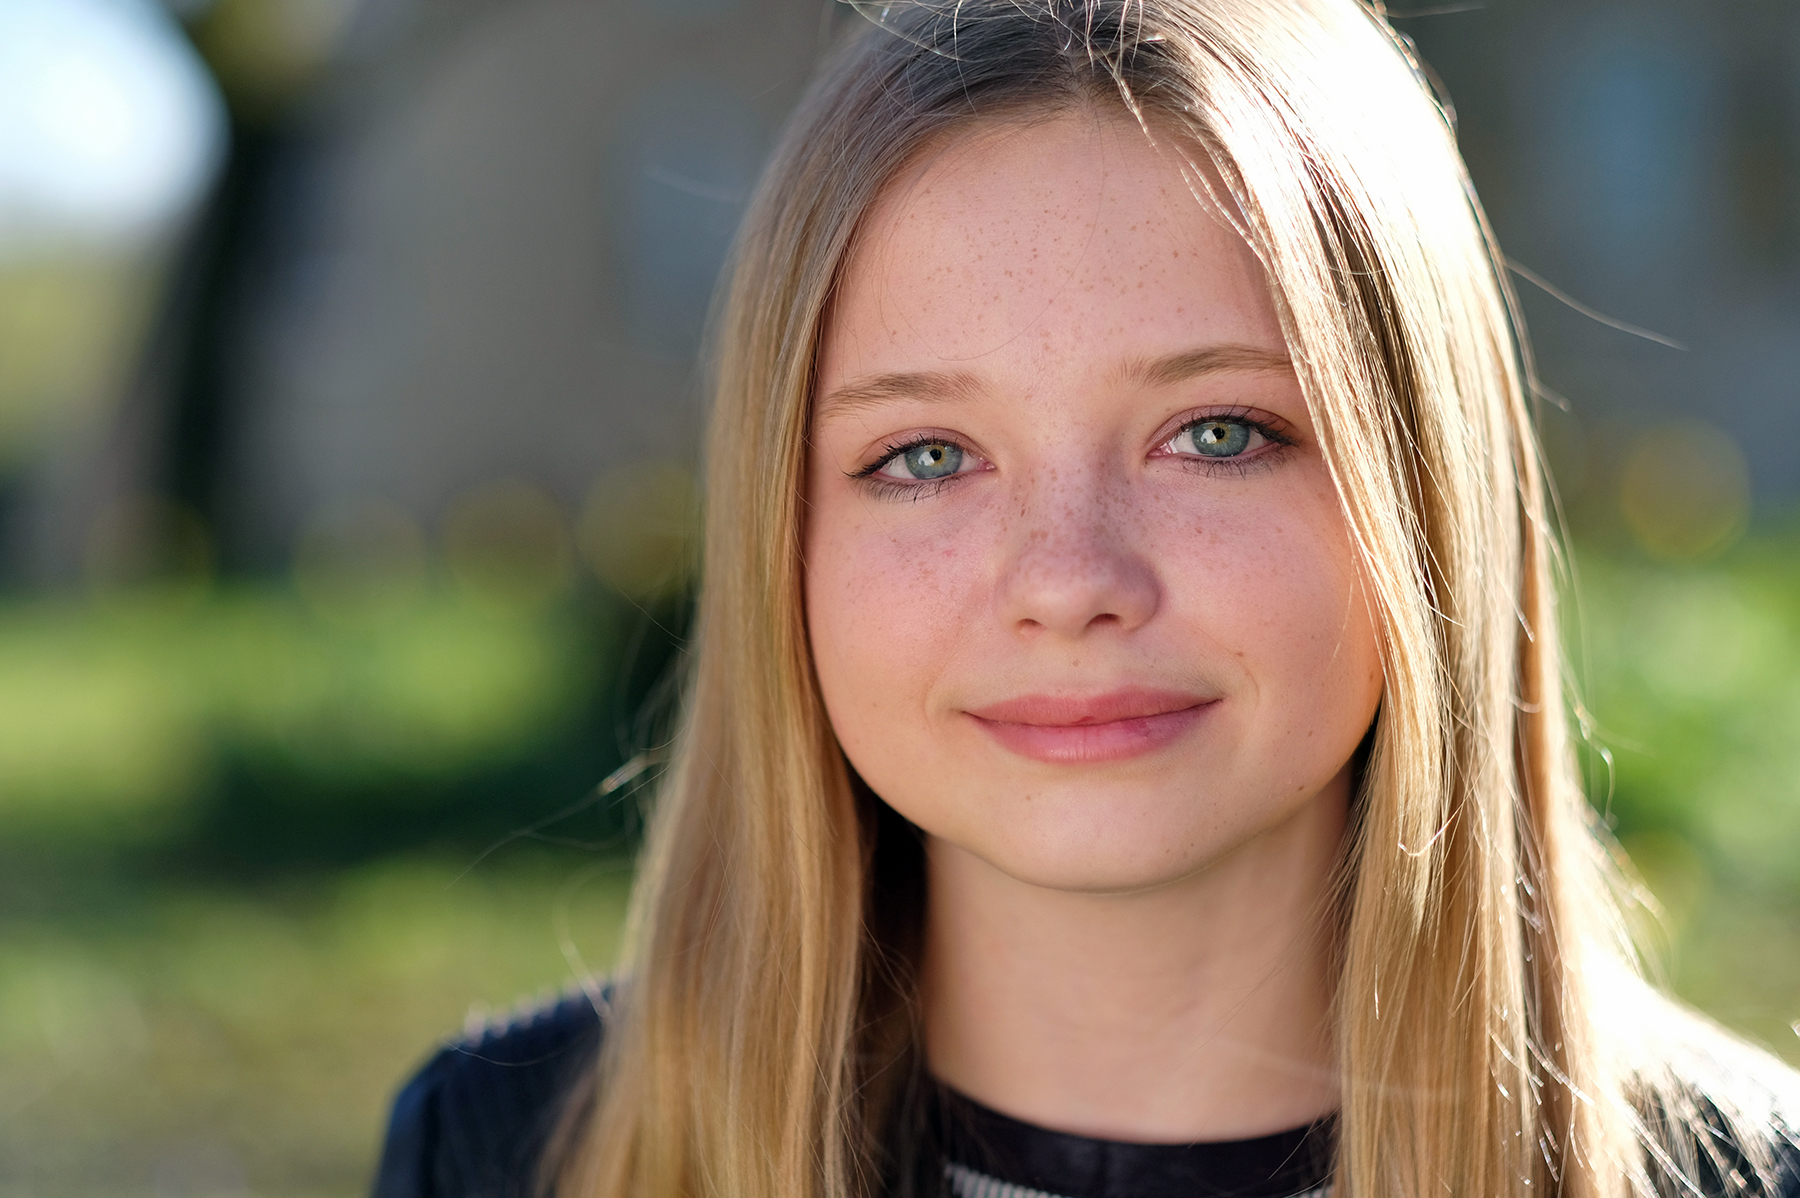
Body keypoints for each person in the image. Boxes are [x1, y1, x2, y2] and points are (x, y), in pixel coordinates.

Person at [372, 2, 1800, 1196]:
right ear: (778, 538)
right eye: (925, 455)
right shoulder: (510, 1153)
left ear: (1424, 492)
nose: (1068, 580)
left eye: (1219, 432)